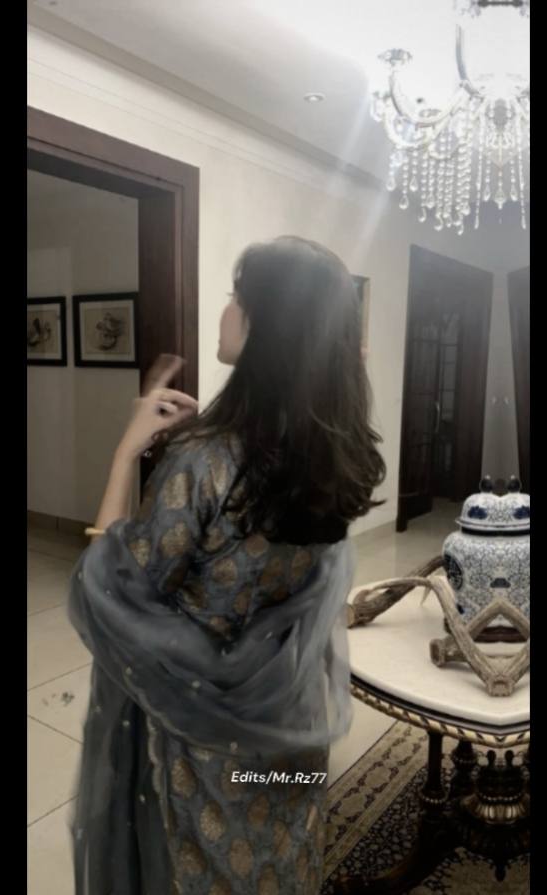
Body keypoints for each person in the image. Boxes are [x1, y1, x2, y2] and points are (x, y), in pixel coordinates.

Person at [68, 235, 387, 894]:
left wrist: (128, 451)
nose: (224, 310)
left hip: (201, 739)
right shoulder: (336, 454)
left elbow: (111, 594)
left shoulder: (206, 462)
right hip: (287, 732)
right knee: (278, 853)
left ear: (267, 324)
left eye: (235, 297)